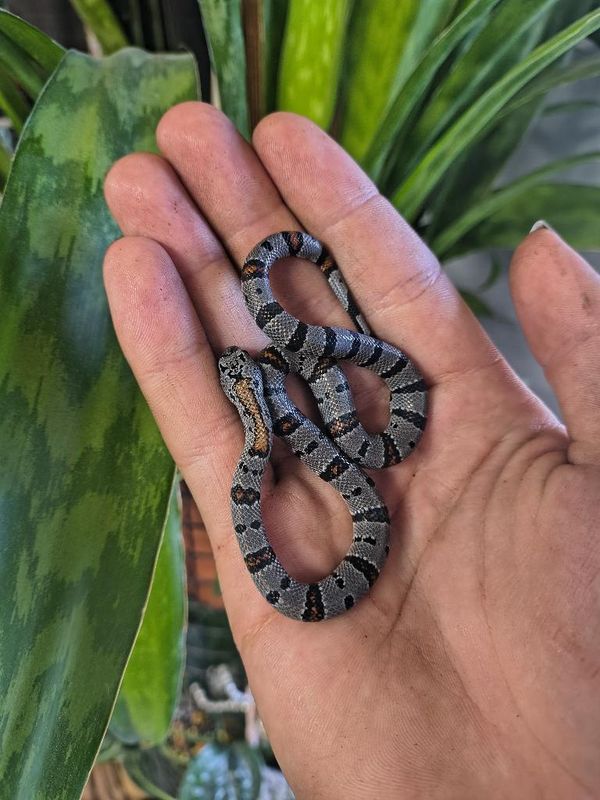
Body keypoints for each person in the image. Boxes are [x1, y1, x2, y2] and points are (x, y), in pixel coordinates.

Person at [103, 102, 600, 799]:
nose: (248, 367)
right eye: (253, 376)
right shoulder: (274, 438)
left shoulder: (278, 441)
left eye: (252, 372)